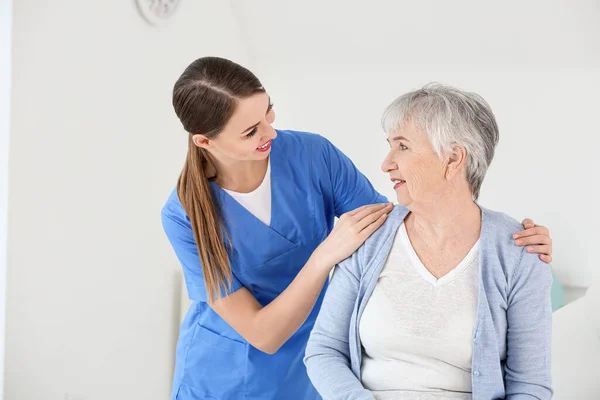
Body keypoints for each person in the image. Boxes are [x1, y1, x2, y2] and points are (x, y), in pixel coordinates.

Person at [161, 58, 553, 400]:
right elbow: (262, 334)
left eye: (269, 112)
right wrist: (324, 256)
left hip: (308, 363)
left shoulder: (312, 156)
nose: (271, 132)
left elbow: (390, 224)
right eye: (250, 131)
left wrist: (512, 240)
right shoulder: (184, 214)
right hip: (225, 370)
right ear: (205, 141)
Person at [304, 84, 554, 400]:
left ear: (452, 158)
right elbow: (324, 349)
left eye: (403, 146)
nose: (386, 163)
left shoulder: (519, 251)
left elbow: (531, 387)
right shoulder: (369, 234)